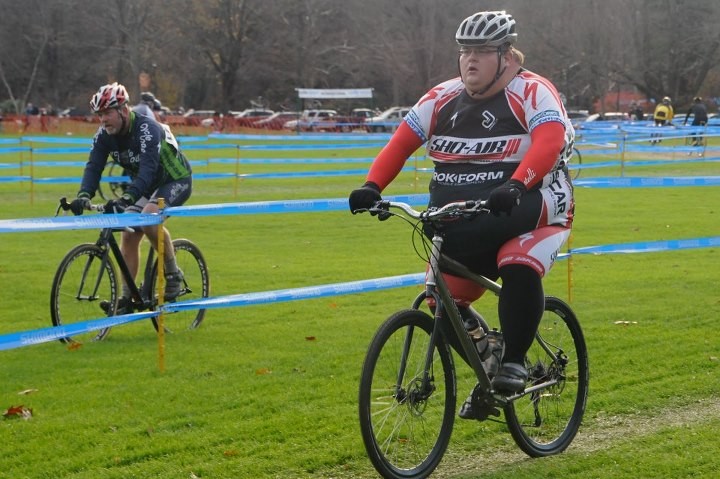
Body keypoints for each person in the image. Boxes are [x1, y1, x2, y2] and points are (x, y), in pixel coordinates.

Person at [348, 11, 575, 419]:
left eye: (482, 52)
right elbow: (400, 145)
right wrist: (372, 187)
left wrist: (518, 183)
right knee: (441, 296)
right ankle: (488, 356)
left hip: (536, 207)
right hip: (467, 215)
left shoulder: (534, 91)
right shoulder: (440, 98)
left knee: (517, 262)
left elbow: (548, 140)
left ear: (506, 55)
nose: (470, 61)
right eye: (465, 51)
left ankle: (515, 362)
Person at [68, 82, 193, 310]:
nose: (103, 119)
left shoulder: (147, 129)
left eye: (107, 113)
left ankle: (173, 273)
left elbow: (147, 170)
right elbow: (94, 166)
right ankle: (128, 297)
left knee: (148, 218)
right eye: (99, 115)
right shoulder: (104, 135)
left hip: (174, 179)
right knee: (128, 233)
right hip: (148, 185)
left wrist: (127, 198)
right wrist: (83, 194)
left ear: (123, 110)